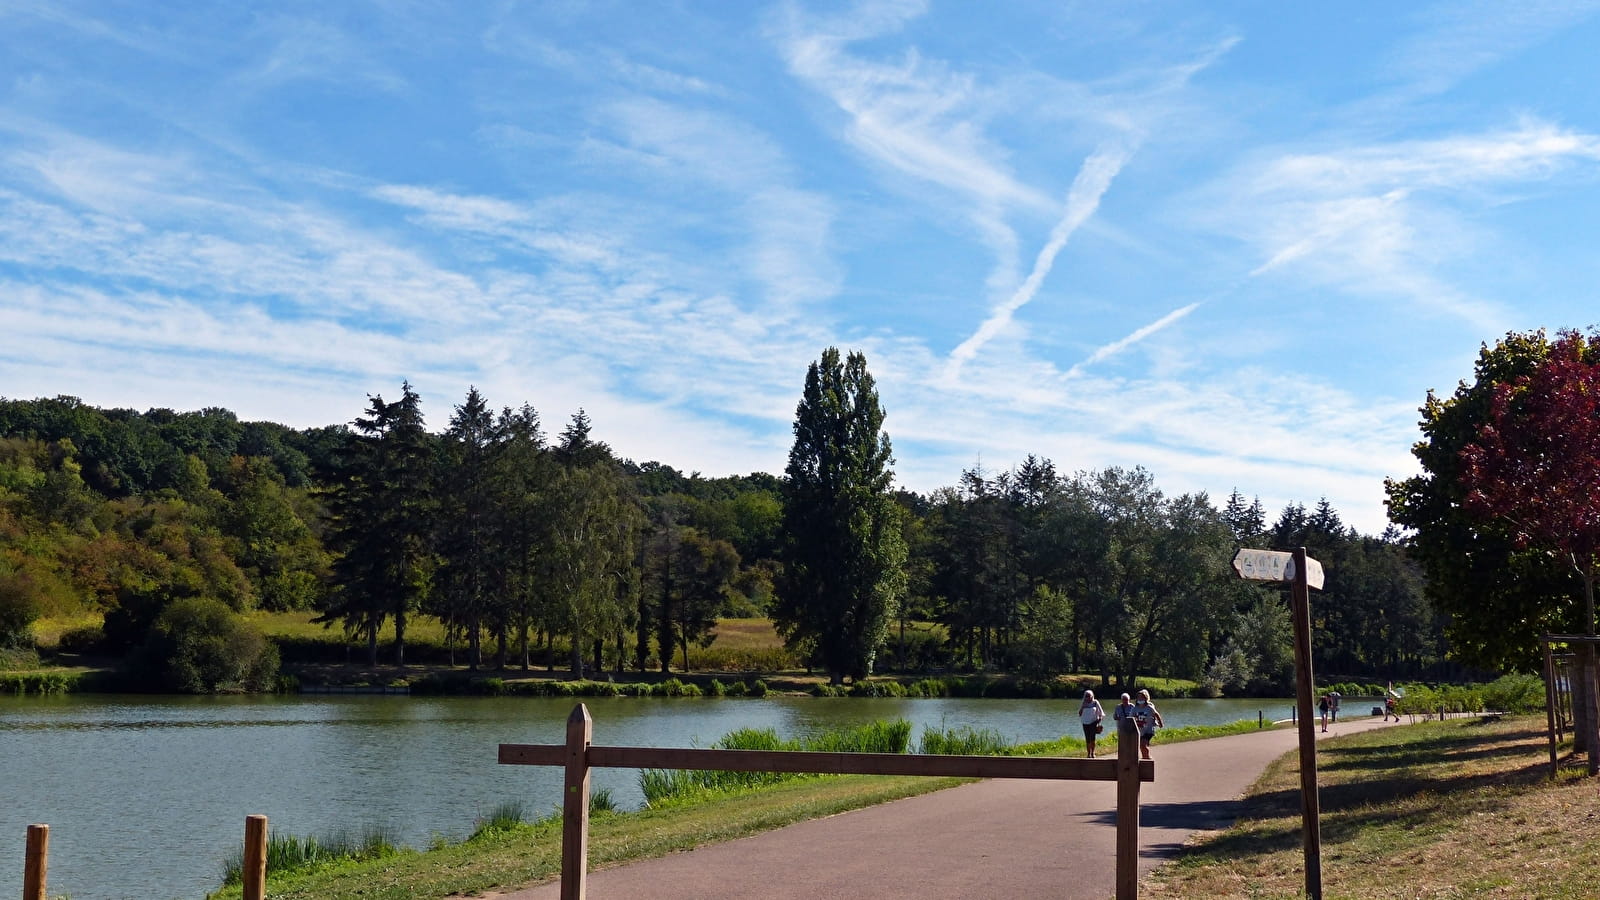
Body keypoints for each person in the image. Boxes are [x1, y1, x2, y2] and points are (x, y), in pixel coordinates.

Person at [1132, 689, 1163, 760]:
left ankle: (1147, 758)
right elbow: (1131, 717)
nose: (1140, 699)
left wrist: (1160, 723)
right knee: (1141, 746)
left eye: (1142, 697)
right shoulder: (1135, 708)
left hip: (1149, 730)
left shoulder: (1149, 707)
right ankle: (1145, 758)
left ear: (1145, 698)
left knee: (1143, 745)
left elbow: (1156, 714)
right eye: (1138, 697)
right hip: (1140, 731)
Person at [1078, 690, 1106, 758]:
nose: (1087, 697)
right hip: (1085, 723)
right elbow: (1080, 714)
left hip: (1093, 722)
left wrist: (1099, 719)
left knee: (1092, 738)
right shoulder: (1083, 703)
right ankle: (1088, 753)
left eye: (1089, 696)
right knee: (1087, 738)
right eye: (1086, 696)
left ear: (1092, 696)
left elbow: (1101, 712)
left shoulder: (1095, 702)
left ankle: (1093, 753)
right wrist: (1083, 707)